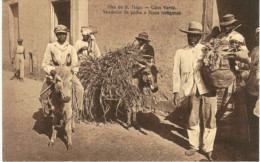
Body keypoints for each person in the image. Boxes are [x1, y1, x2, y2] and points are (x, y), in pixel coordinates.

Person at [172, 22, 217, 161]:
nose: (192, 38)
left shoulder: (206, 49)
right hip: (191, 89)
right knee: (192, 117)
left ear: (199, 37)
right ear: (187, 36)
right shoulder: (180, 52)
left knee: (210, 118)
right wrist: (176, 92)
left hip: (207, 88)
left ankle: (208, 149)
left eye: (195, 36)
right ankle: (194, 145)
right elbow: (176, 73)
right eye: (190, 35)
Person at [40, 24, 84, 118]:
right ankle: (48, 109)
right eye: (59, 34)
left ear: (66, 35)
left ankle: (77, 110)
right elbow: (45, 63)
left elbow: (75, 64)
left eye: (63, 34)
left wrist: (72, 72)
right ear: (56, 35)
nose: (61, 36)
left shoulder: (71, 48)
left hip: (68, 75)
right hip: (54, 74)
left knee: (80, 89)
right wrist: (52, 71)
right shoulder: (50, 46)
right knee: (43, 93)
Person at [245, 27, 259, 159]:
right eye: (258, 35)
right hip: (251, 88)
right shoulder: (254, 50)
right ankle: (253, 145)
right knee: (252, 118)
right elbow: (249, 66)